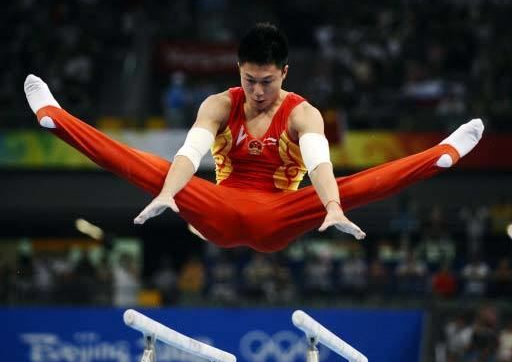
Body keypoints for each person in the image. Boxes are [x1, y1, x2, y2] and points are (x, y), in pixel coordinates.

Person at [24, 23, 484, 253]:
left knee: (347, 187)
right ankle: (55, 117)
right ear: (237, 71)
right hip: (219, 212)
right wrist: (167, 193)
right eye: (249, 80)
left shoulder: (303, 114)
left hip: (276, 218)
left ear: (284, 72)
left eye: (267, 81)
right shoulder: (219, 105)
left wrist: (331, 208)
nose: (258, 92)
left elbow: (320, 165)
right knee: (151, 166)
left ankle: (440, 153)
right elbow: (192, 152)